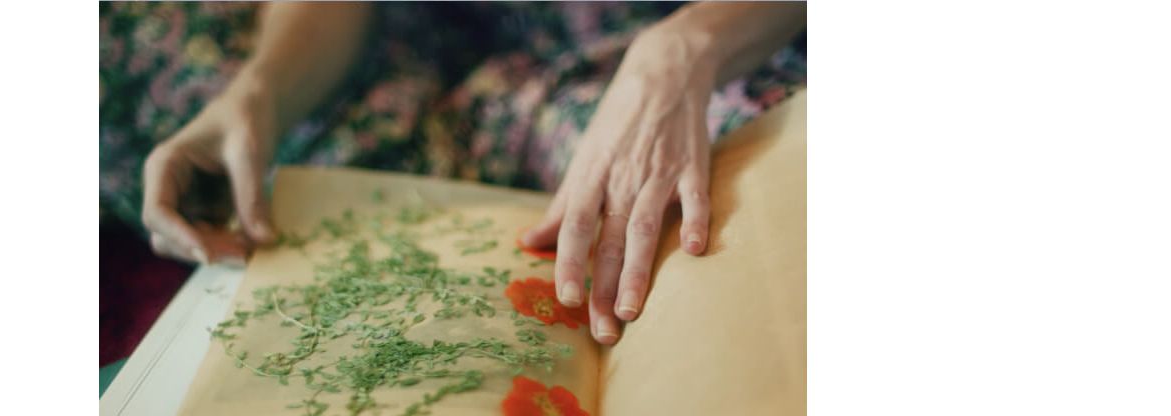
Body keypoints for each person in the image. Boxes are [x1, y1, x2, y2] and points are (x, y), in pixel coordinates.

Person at [100, 2, 805, 345]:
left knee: (735, 207)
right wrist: (260, 92)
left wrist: (683, 47)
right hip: (457, 64)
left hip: (706, 37)